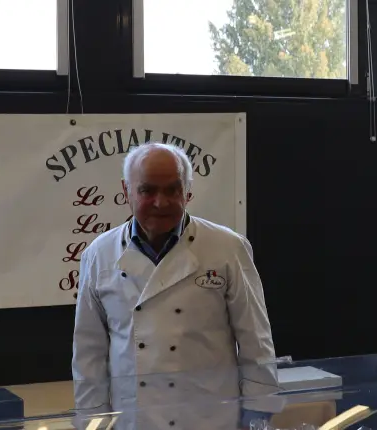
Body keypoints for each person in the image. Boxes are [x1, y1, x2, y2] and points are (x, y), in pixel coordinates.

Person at [72, 143, 281, 430]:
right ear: (126, 191)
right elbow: (88, 351)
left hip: (211, 419)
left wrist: (257, 413)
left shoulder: (228, 248)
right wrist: (92, 421)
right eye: (147, 190)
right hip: (135, 421)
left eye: (172, 190)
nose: (161, 202)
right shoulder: (99, 254)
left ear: (188, 191)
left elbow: (255, 338)